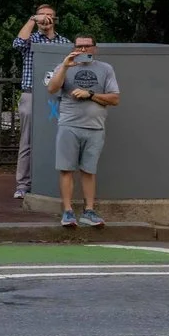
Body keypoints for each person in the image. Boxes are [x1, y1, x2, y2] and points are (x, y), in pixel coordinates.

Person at [46, 35, 120, 228]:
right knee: (66, 169)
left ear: (94, 49)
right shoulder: (64, 66)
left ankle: (89, 211)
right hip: (69, 125)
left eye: (87, 46)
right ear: (74, 48)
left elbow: (114, 99)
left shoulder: (105, 69)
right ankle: (68, 212)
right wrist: (64, 66)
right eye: (79, 46)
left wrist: (91, 94)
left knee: (89, 171)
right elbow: (52, 88)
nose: (83, 50)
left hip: (95, 127)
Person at [9, 5, 68, 200]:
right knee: (27, 140)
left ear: (55, 19)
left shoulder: (63, 42)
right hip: (31, 94)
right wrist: (32, 20)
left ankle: (51, 180)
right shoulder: (31, 40)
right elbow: (17, 43)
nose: (46, 19)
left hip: (56, 97)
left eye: (49, 15)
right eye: (42, 15)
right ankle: (23, 184)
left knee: (57, 138)